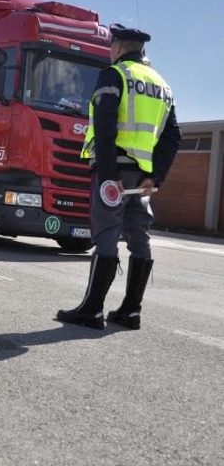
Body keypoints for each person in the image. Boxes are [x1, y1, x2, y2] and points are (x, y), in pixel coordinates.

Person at [56, 23, 181, 331]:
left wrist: (109, 177)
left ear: (120, 47)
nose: (111, 50)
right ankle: (131, 311)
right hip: (142, 178)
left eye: (112, 46)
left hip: (115, 171)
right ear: (143, 51)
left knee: (107, 234)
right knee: (140, 237)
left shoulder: (115, 75)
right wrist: (155, 177)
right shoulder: (162, 85)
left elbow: (106, 126)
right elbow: (172, 136)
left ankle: (93, 310)